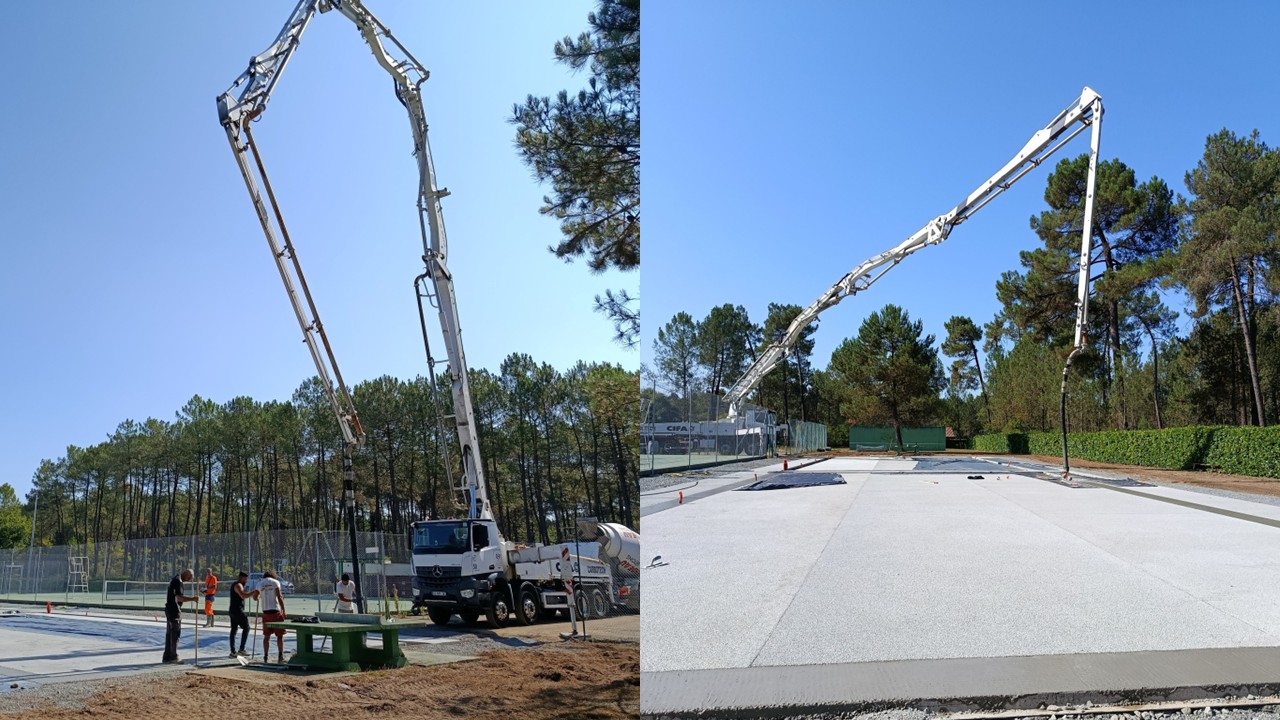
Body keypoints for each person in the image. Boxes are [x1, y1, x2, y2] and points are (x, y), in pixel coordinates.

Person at [162, 568, 198, 664]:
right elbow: (179, 598)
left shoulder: (175, 579)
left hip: (170, 609)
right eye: (189, 578)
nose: (189, 580)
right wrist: (192, 599)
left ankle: (167, 656)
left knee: (170, 634)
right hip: (174, 610)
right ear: (186, 575)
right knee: (175, 634)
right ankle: (173, 656)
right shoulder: (178, 581)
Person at [257, 569, 287, 664]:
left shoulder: (260, 584)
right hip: (275, 612)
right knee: (279, 636)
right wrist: (284, 610)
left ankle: (265, 656)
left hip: (266, 613)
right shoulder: (275, 582)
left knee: (266, 636)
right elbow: (279, 596)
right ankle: (280, 655)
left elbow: (254, 597)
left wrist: (258, 597)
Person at [227, 571, 252, 658]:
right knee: (246, 627)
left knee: (234, 630)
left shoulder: (237, 584)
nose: (246, 580)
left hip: (233, 610)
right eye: (245, 578)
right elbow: (243, 595)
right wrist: (253, 592)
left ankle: (233, 651)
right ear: (241, 578)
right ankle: (241, 649)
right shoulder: (238, 585)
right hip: (237, 610)